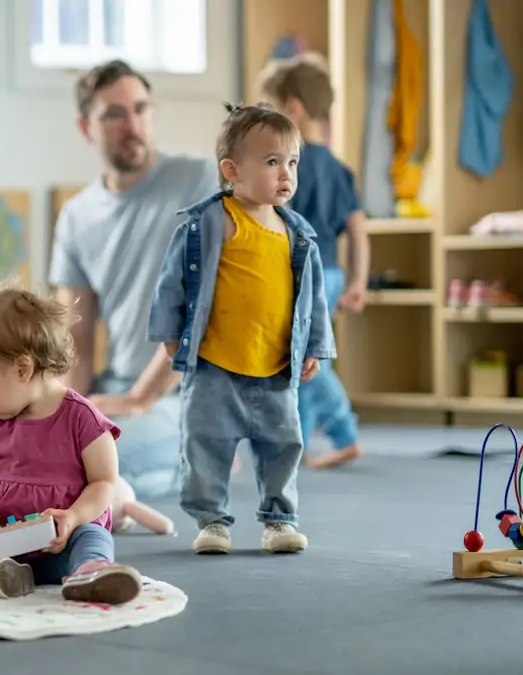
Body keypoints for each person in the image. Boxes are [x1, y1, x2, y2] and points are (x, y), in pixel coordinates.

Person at [147, 103, 336, 555]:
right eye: (272, 162)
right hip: (216, 367)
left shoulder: (297, 234)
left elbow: (313, 297)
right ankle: (212, 521)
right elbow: (171, 283)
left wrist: (314, 346)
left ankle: (279, 519)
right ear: (231, 171)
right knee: (205, 446)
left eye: (292, 162)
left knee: (283, 445)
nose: (286, 174)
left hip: (274, 367)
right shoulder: (209, 224)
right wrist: (170, 334)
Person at [47, 59, 221, 499]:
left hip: (183, 396)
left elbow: (206, 307)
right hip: (115, 390)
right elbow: (75, 339)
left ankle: (202, 454)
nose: (133, 125)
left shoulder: (200, 180)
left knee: (80, 462)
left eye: (141, 109)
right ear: (86, 127)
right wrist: (58, 413)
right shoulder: (76, 216)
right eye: (115, 114)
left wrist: (141, 399)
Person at [0, 286, 145, 605]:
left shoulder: (83, 418)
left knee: (93, 536)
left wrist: (73, 517)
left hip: (59, 546)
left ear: (23, 369)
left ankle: (89, 571)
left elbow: (104, 482)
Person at [259, 53, 370, 469]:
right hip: (333, 273)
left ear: (293, 109)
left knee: (306, 358)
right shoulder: (339, 169)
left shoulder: (285, 164)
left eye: (269, 109)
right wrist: (358, 282)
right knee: (303, 355)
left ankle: (344, 434)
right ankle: (299, 440)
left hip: (303, 274)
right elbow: (357, 230)